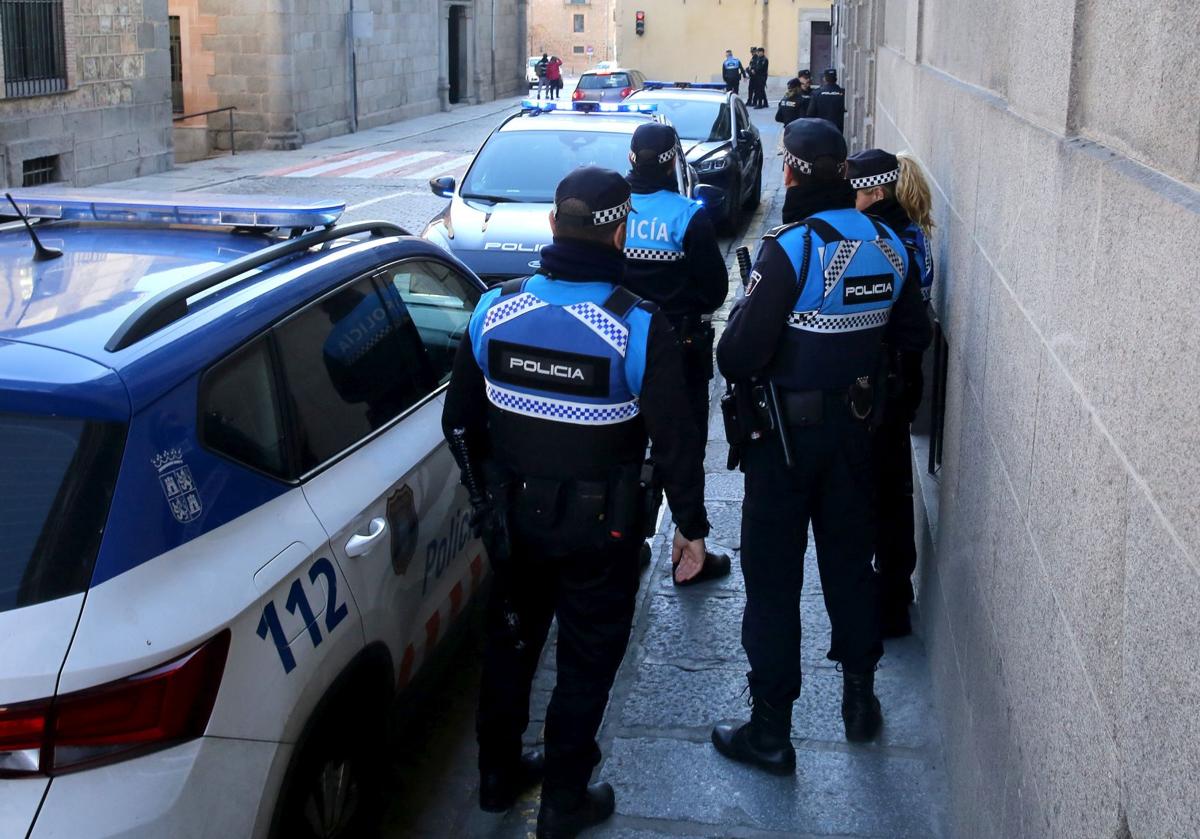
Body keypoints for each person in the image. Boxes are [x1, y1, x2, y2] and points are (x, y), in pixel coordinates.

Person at [443, 166, 710, 837]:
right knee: (586, 661)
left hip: (512, 526)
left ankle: (498, 778)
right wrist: (691, 526)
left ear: (553, 225)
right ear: (619, 231)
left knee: (509, 646)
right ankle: (563, 796)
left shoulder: (492, 308)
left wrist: (486, 496)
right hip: (602, 535)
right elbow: (675, 439)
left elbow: (459, 421)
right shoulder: (636, 324)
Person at [709, 119, 932, 773]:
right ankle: (860, 701)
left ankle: (772, 732)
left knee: (774, 585)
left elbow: (737, 352)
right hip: (856, 437)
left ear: (792, 172)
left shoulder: (793, 248)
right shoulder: (890, 242)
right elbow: (914, 334)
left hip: (783, 443)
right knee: (848, 568)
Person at [622, 122, 732, 585]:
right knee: (682, 447)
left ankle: (627, 543)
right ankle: (690, 545)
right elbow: (714, 292)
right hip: (679, 348)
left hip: (620, 346)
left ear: (632, 160)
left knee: (626, 446)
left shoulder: (615, 210)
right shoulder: (688, 216)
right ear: (673, 162)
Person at [846, 148, 936, 639]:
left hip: (880, 383)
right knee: (893, 493)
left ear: (876, 192)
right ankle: (894, 599)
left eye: (856, 191)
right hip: (901, 383)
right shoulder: (912, 234)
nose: (850, 200)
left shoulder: (879, 240)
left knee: (872, 496)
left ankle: (881, 603)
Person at [806, 68, 846, 134]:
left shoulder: (816, 93)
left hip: (821, 129)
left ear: (824, 79)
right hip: (838, 130)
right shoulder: (843, 92)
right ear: (836, 78)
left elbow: (810, 113)